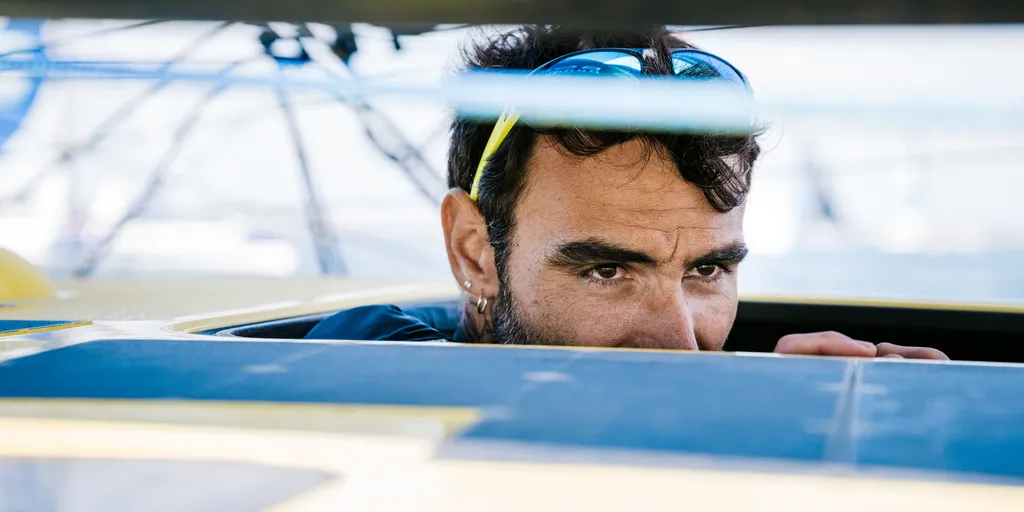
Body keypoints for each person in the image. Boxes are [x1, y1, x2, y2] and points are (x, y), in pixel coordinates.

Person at [307, 24, 947, 360]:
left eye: (707, 268)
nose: (681, 342)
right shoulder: (348, 369)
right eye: (606, 269)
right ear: (475, 251)